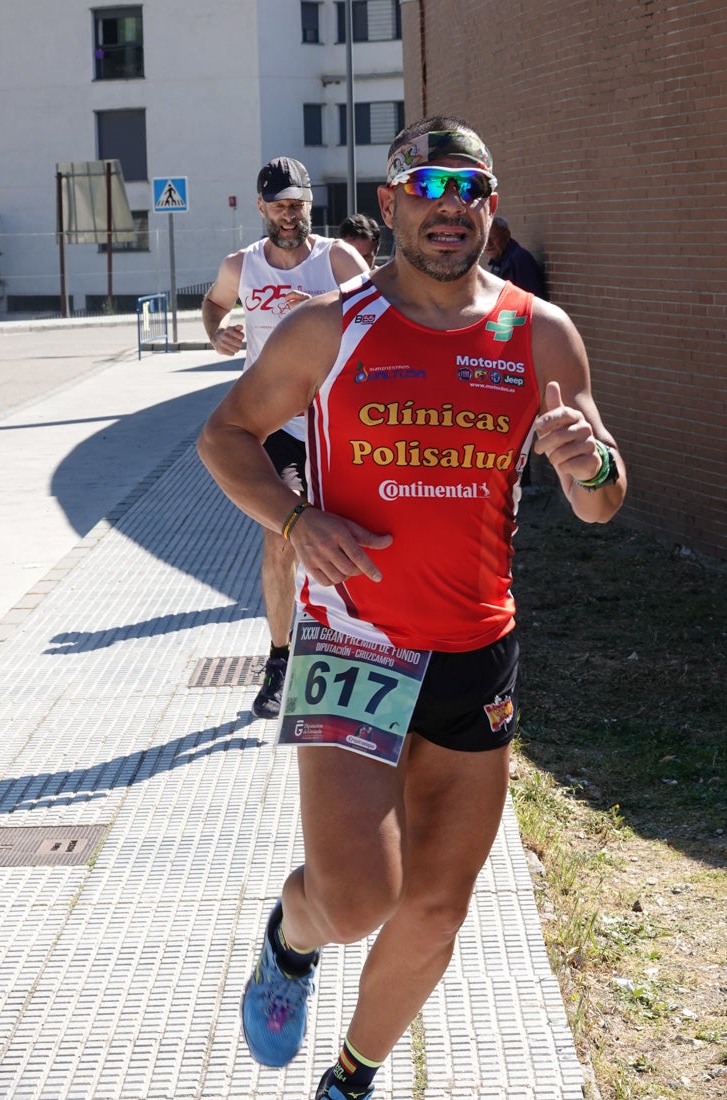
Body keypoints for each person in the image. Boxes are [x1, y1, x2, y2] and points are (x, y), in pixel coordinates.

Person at [197, 115, 626, 1100]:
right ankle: (289, 936)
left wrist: (587, 463)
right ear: (390, 206)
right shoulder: (327, 327)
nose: (450, 206)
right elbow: (226, 436)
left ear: (489, 207)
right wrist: (296, 518)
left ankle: (350, 1078)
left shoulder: (539, 331)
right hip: (355, 641)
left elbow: (602, 499)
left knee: (434, 907)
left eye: (469, 188)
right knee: (355, 898)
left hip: (476, 650)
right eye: (427, 187)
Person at [202, 156, 368, 718]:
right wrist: (216, 333)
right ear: (261, 208)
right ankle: (280, 659)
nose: (291, 216)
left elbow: (381, 315)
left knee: (364, 528)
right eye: (280, 206)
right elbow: (213, 302)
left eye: (298, 205)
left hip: (336, 421)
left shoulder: (337, 258)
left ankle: (364, 646)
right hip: (272, 425)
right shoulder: (241, 266)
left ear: (310, 204)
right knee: (282, 536)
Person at [484, 213, 548, 299]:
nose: (488, 244)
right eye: (485, 239)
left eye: (493, 237)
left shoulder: (520, 260)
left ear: (506, 235)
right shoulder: (498, 261)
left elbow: (530, 299)